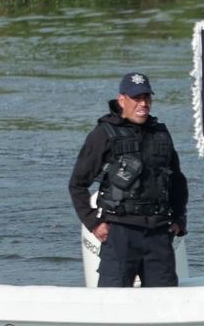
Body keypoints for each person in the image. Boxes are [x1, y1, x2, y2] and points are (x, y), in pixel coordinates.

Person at [69, 72, 189, 287]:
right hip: (119, 233)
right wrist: (94, 223)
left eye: (147, 98)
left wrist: (179, 220)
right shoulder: (103, 134)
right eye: (137, 98)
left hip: (158, 233)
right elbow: (77, 184)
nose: (143, 104)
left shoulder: (160, 133)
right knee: (112, 304)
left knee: (166, 304)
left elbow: (178, 181)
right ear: (122, 100)